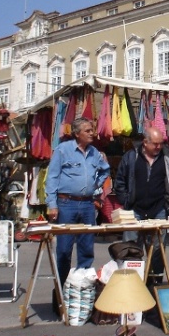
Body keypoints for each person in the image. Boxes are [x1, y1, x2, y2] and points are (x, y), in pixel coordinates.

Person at [114, 126, 169, 281]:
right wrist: (126, 201)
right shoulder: (131, 157)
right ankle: (132, 280)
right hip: (135, 209)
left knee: (158, 248)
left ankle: (155, 280)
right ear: (145, 142)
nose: (159, 147)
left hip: (159, 209)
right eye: (155, 144)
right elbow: (119, 181)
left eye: (161, 143)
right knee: (131, 246)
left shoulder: (168, 157)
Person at [45, 117, 110, 284]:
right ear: (76, 133)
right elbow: (52, 177)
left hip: (88, 204)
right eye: (88, 131)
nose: (92, 134)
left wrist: (95, 186)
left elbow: (105, 170)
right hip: (67, 204)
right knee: (64, 248)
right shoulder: (62, 150)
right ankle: (61, 287)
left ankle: (82, 284)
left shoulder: (95, 152)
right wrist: (52, 205)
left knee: (86, 247)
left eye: (92, 130)